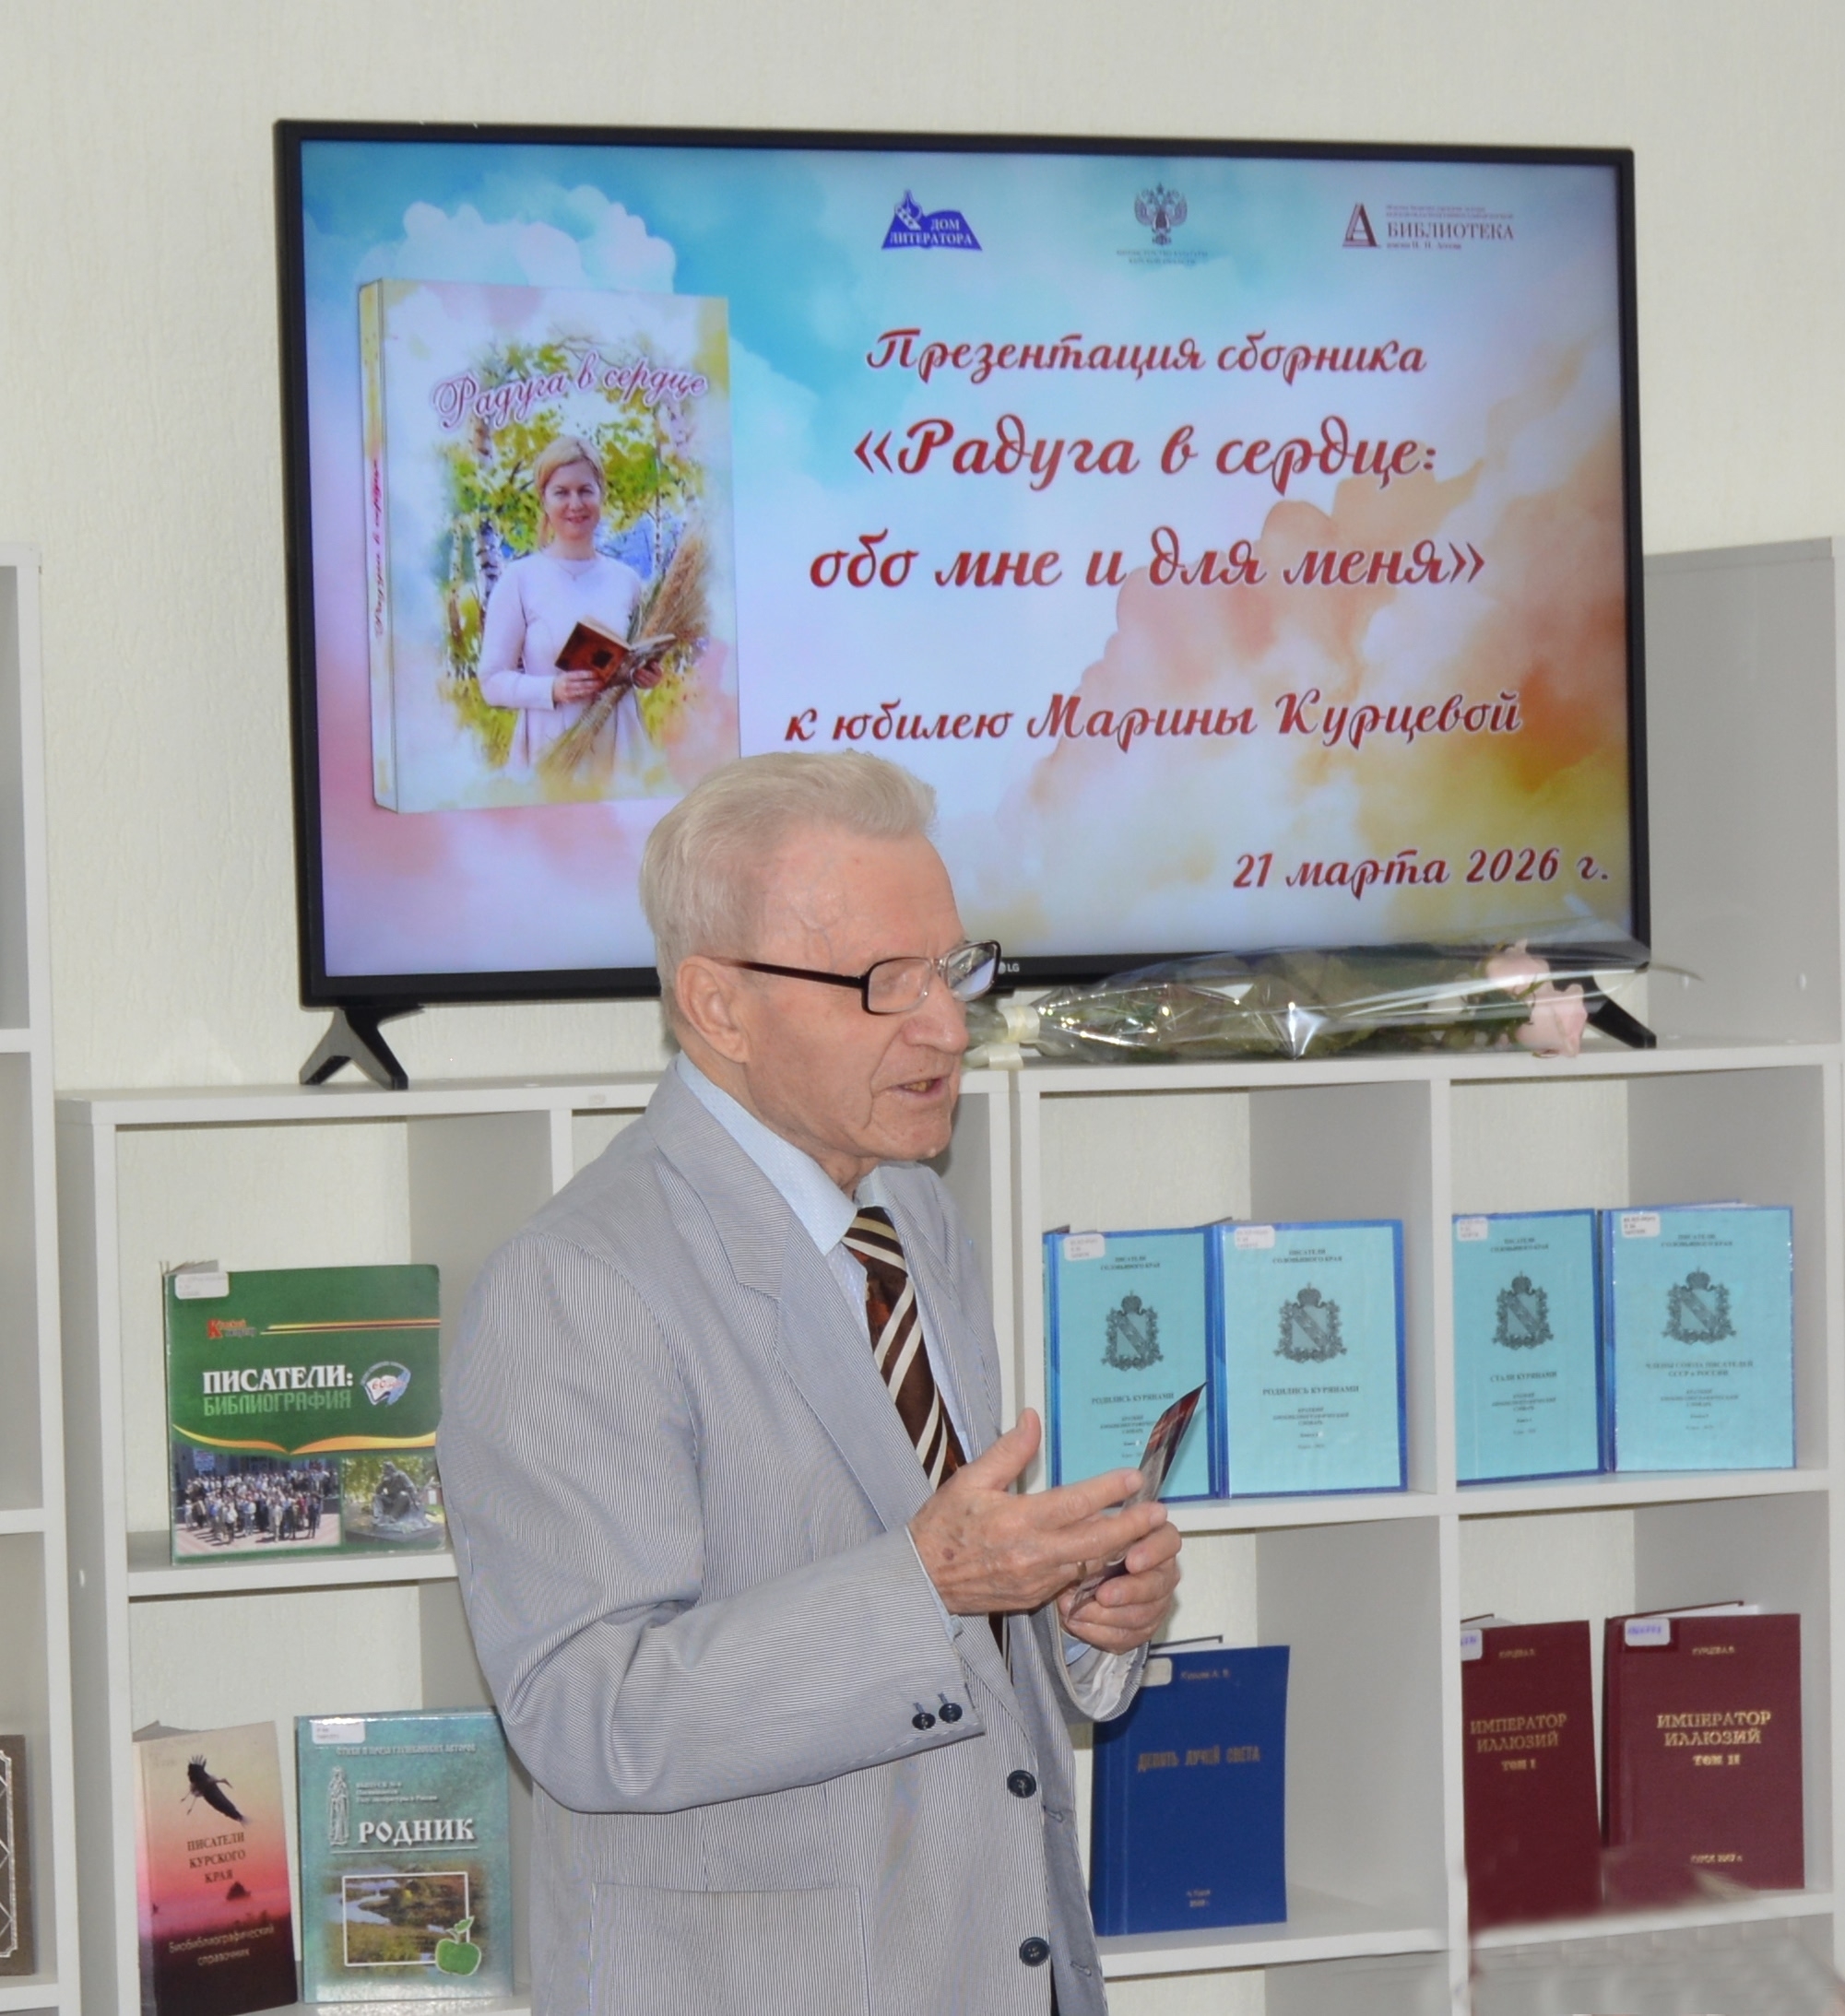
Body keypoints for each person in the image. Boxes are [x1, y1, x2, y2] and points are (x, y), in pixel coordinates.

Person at [440, 751, 1183, 2016]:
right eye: (885, 983)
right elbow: (589, 1716)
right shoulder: (573, 1283)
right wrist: (931, 1583)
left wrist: (1074, 1605)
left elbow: (950, 1601)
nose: (945, 1026)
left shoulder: (910, 1214)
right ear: (717, 1008)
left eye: (953, 969)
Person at [477, 434, 656, 774]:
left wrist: (640, 673)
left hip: (620, 752)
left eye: (585, 490)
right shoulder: (520, 579)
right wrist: (551, 689)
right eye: (561, 492)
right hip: (551, 750)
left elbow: (628, 660)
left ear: (601, 495)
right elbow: (491, 681)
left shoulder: (627, 580)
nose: (576, 504)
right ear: (544, 500)